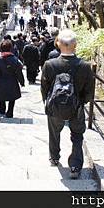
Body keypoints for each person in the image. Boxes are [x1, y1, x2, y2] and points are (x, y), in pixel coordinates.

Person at [41, 29, 95, 179]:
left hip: (55, 106)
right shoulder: (84, 66)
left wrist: (48, 102)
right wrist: (80, 102)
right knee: (77, 136)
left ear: (57, 43)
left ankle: (54, 157)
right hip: (76, 107)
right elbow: (89, 91)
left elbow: (44, 88)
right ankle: (75, 167)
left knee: (54, 132)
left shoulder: (49, 64)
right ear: (75, 45)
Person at [0, 39, 24, 118]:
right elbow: (19, 71)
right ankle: (10, 112)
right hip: (12, 80)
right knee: (12, 98)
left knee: (1, 96)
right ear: (10, 48)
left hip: (0, 80)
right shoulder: (15, 59)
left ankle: (2, 110)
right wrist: (22, 81)